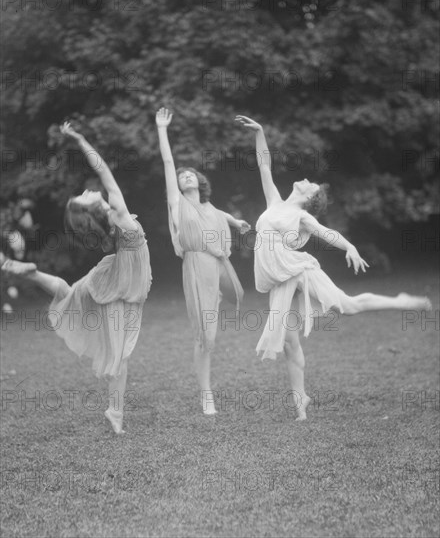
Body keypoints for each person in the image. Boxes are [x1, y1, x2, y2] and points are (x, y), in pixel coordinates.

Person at [236, 115, 432, 421]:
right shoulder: (274, 201)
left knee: (347, 306)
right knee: (288, 340)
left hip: (299, 270)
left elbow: (329, 235)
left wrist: (350, 247)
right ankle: (301, 399)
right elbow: (264, 165)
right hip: (278, 279)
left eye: (311, 185)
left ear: (310, 198)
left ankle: (402, 301)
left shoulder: (302, 217)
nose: (305, 180)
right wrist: (260, 131)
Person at [2, 122, 152, 434]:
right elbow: (104, 171)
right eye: (85, 196)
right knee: (118, 355)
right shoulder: (119, 214)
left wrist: (81, 139)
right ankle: (115, 414)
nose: (88, 191)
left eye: (83, 194)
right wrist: (82, 140)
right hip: (118, 286)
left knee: (71, 295)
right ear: (95, 209)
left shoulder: (114, 219)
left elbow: (103, 173)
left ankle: (32, 272)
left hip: (115, 279)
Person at [156, 107, 250, 415]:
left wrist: (235, 222)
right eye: (181, 176)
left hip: (217, 266)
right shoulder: (177, 204)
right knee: (204, 334)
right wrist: (162, 130)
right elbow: (168, 163)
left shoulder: (210, 206)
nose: (185, 176)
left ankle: (206, 389)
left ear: (199, 180)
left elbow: (218, 215)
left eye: (189, 174)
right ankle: (206, 393)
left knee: (213, 334)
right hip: (195, 267)